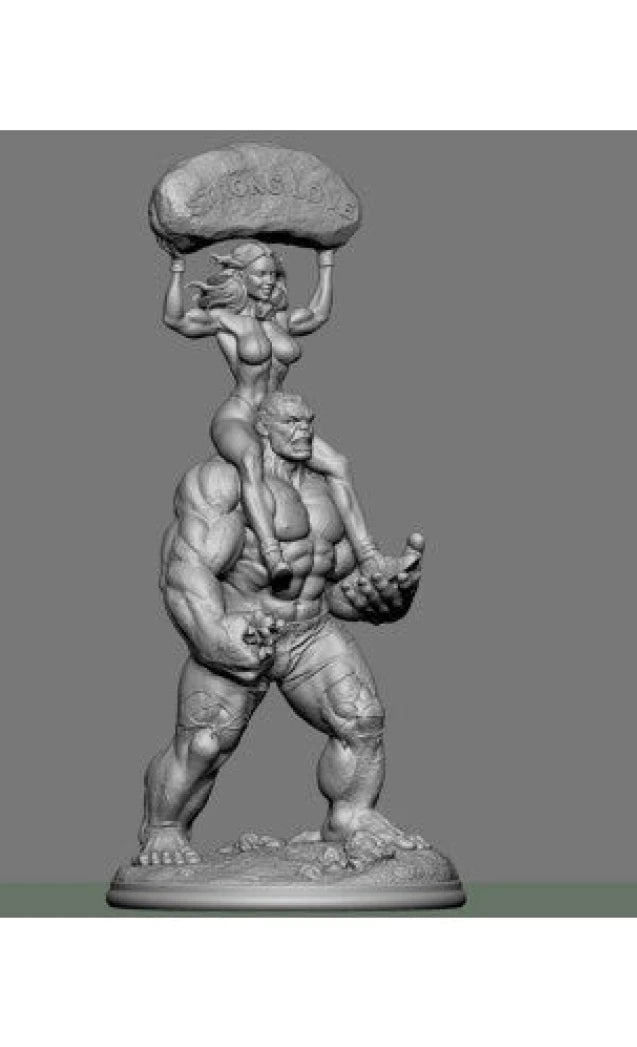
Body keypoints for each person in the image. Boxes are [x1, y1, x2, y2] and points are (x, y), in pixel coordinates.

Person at [137, 391, 427, 866]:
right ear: (262, 428)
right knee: (203, 746)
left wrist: (383, 597)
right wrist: (213, 636)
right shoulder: (222, 482)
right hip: (247, 630)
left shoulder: (326, 490)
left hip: (311, 632)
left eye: (308, 420)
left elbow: (334, 586)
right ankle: (163, 828)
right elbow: (185, 568)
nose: (304, 430)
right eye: (290, 421)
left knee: (362, 719)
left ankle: (351, 817)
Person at [162, 240, 383, 588]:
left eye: (273, 275)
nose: (268, 281)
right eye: (260, 275)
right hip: (239, 414)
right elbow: (174, 319)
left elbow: (319, 314)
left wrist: (326, 261)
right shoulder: (226, 320)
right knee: (250, 458)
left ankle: (370, 558)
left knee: (338, 464)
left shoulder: (281, 320)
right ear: (241, 277)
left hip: (278, 417)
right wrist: (177, 267)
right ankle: (272, 554)